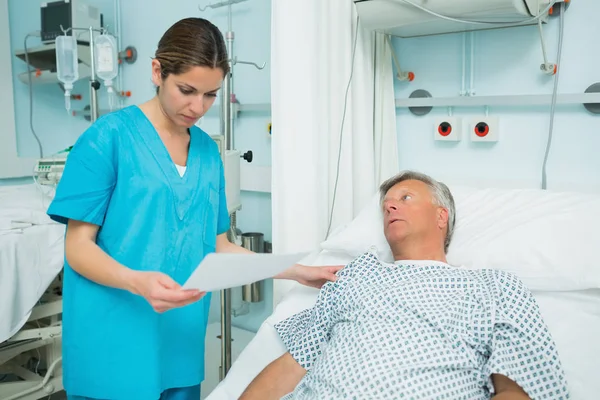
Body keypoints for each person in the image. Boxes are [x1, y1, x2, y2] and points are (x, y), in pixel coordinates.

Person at [46, 17, 341, 400]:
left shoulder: (207, 152)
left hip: (179, 340)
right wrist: (138, 281)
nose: (198, 107)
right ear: (157, 71)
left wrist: (296, 270)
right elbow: (78, 247)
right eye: (187, 90)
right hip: (113, 339)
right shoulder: (107, 139)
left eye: (210, 95)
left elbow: (217, 245)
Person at [239, 170, 571, 400]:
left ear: (441, 217)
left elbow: (515, 389)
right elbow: (293, 364)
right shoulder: (355, 277)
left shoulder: (492, 287)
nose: (389, 205)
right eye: (386, 204)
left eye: (406, 197)